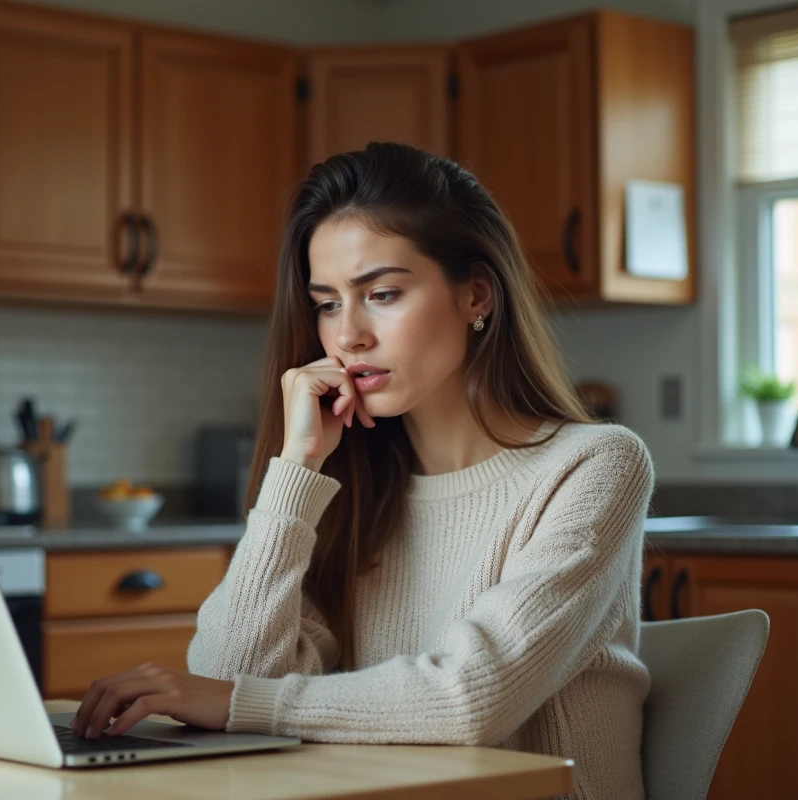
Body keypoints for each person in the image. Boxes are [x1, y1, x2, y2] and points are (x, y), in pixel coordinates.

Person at [72, 142, 654, 799]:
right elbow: (231, 672)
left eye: (381, 293)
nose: (347, 334)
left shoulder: (594, 464)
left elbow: (467, 699)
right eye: (325, 303)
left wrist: (236, 702)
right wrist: (296, 469)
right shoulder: (357, 488)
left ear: (477, 295)